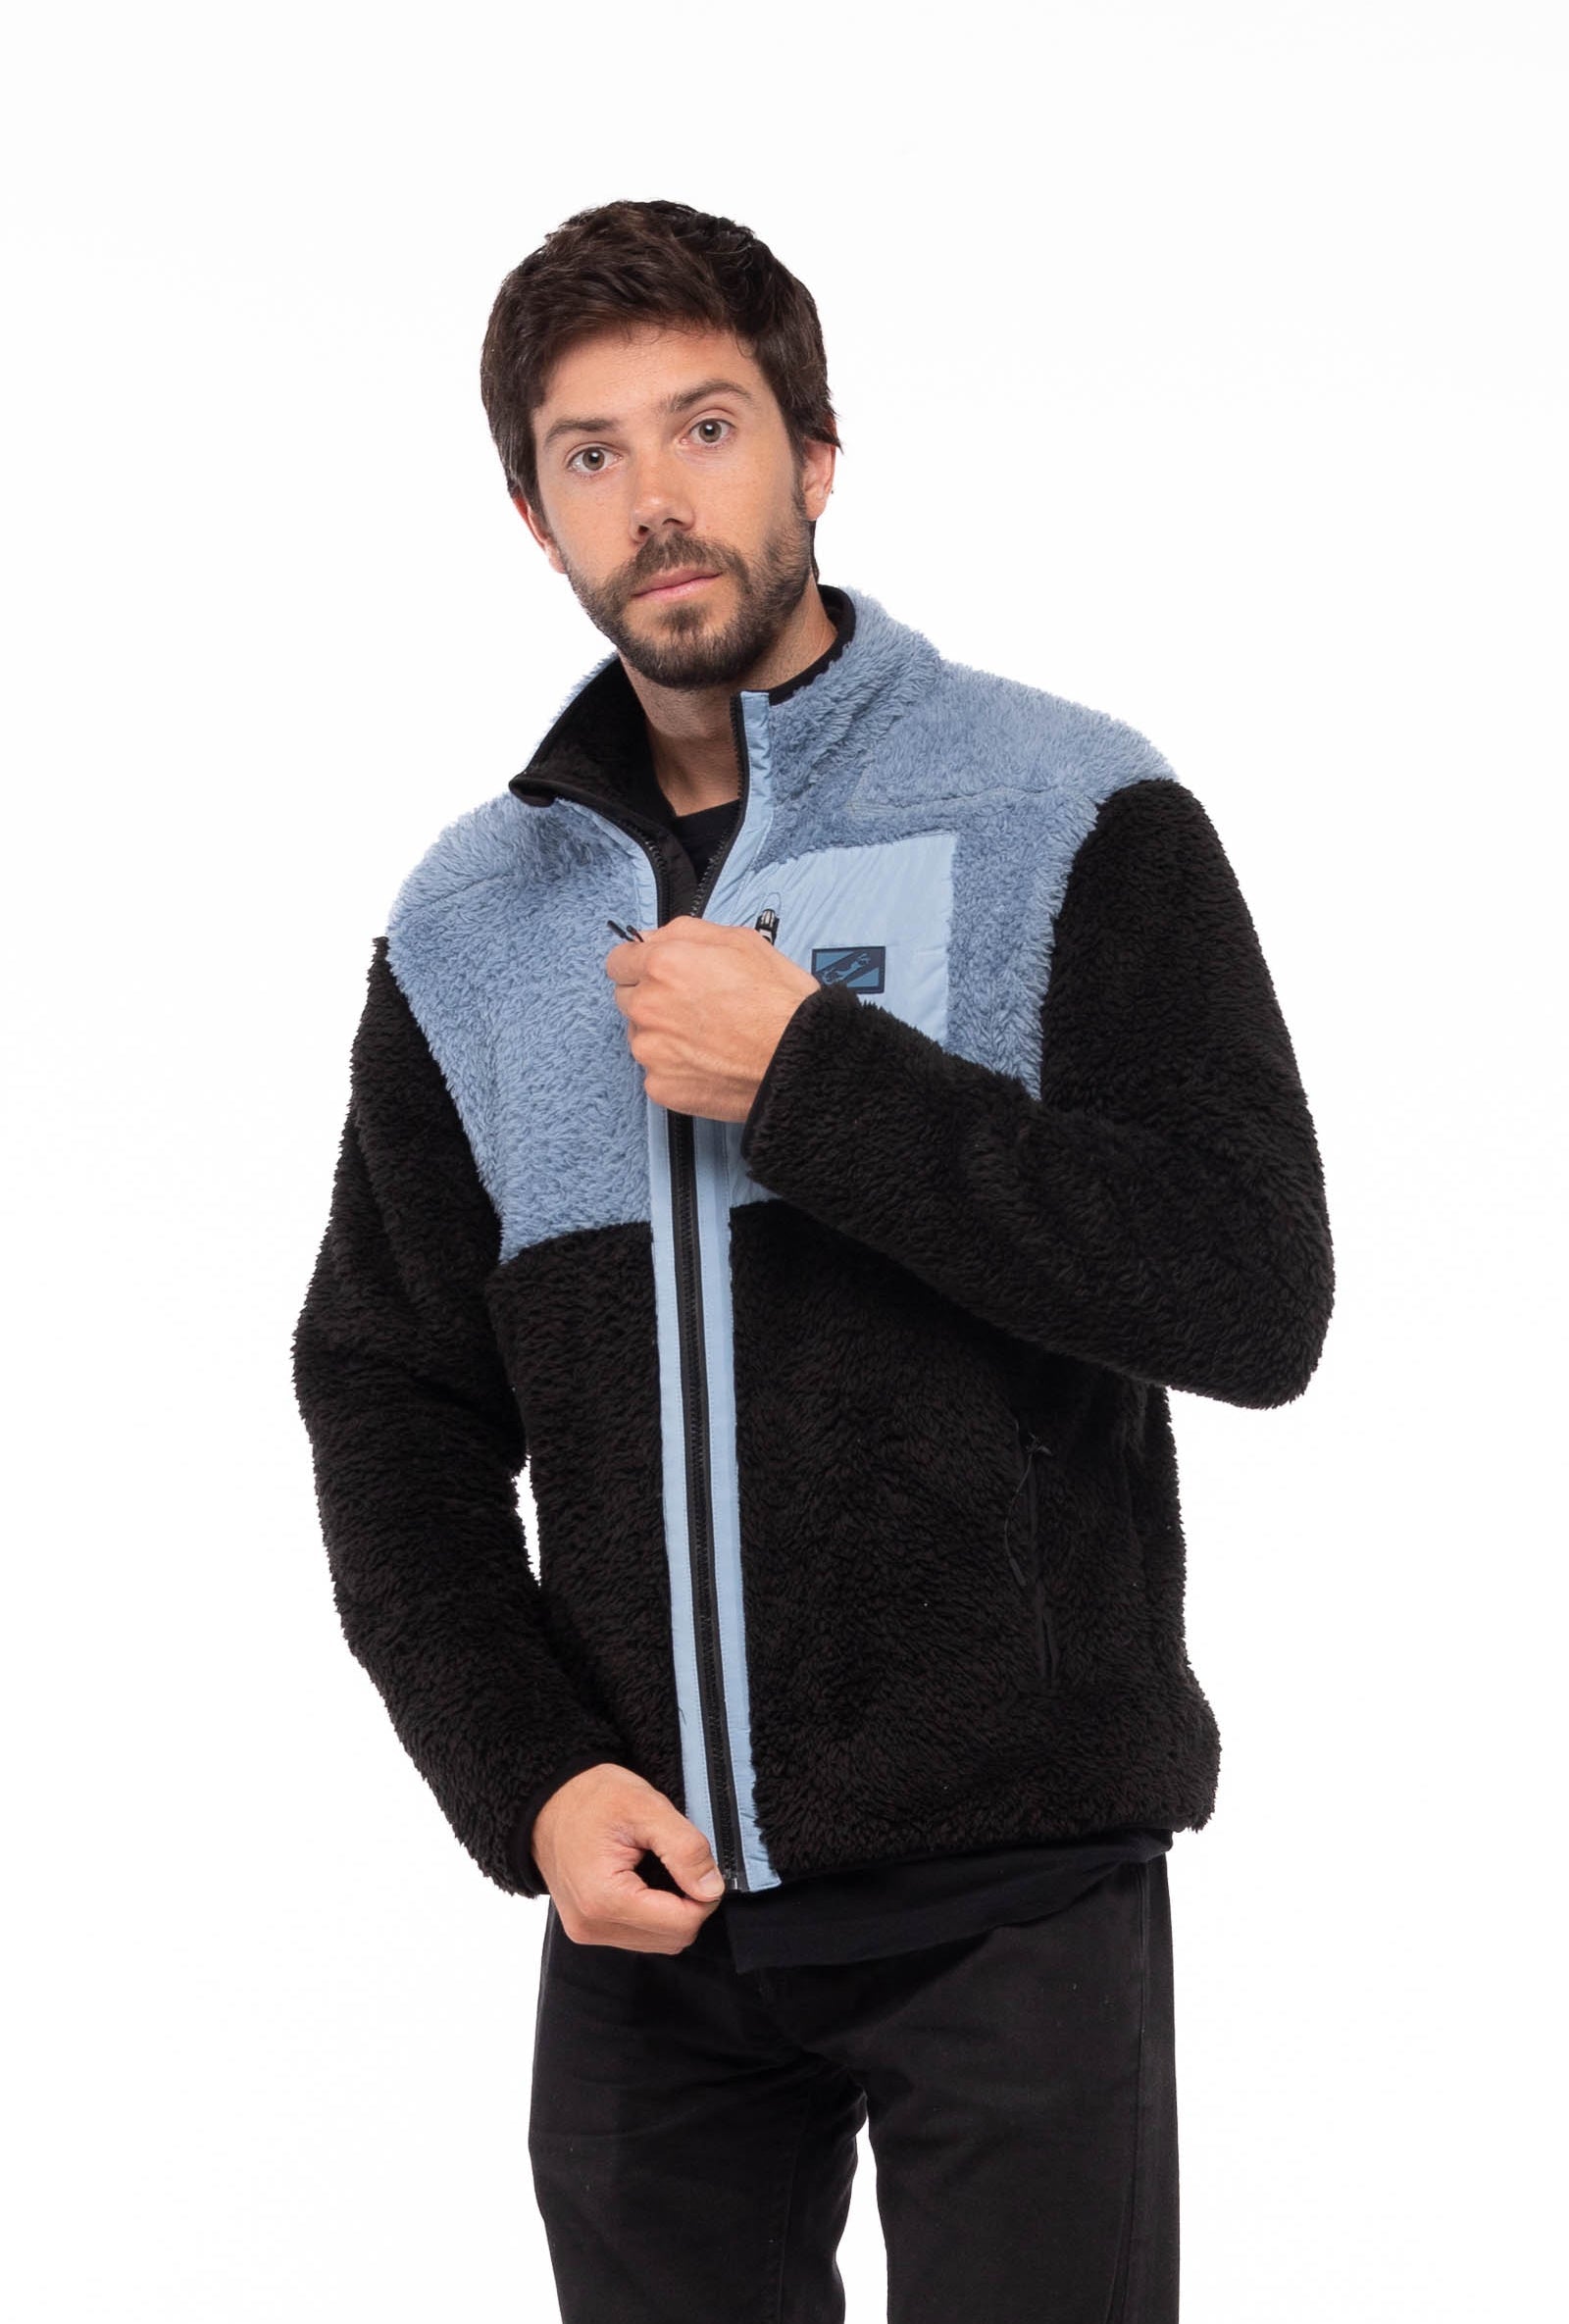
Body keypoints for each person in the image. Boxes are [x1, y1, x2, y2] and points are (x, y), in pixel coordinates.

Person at [292, 196, 1335, 2322]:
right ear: (533, 515)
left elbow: (1246, 1288)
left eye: (707, 428)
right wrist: (531, 1780)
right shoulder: (471, 922)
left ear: (817, 456)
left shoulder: (1066, 807)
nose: (656, 500)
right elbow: (387, 1403)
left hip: (1012, 1882)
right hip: (654, 1918)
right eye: (591, 455)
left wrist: (813, 1083)